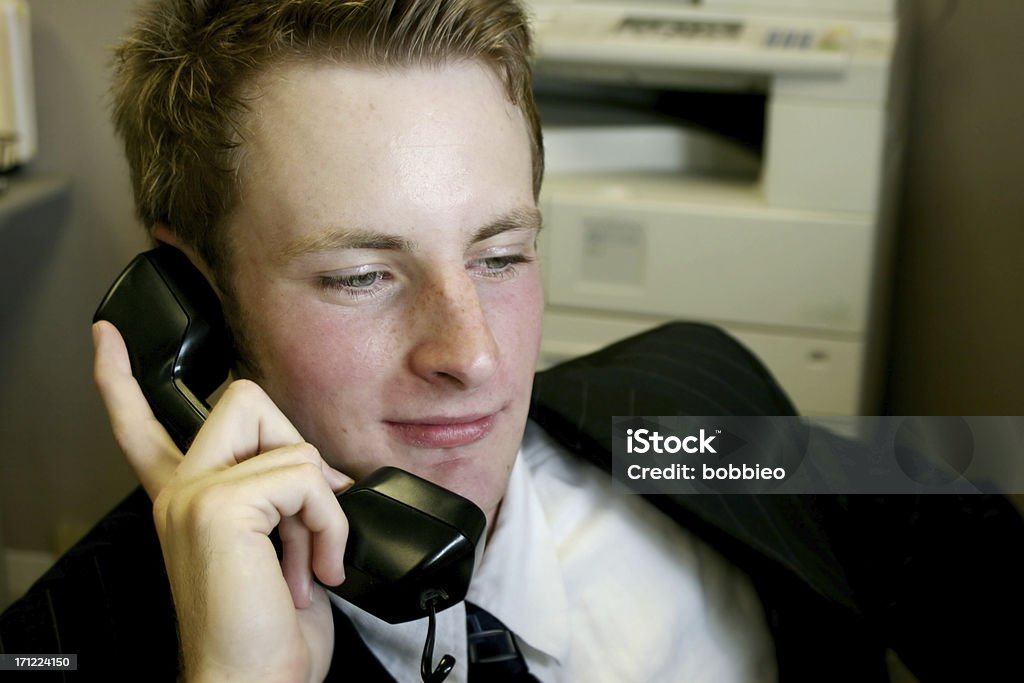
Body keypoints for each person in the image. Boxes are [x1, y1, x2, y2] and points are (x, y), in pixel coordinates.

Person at [2, 1, 1022, 681]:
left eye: (498, 254)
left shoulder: (678, 402)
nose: (476, 355)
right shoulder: (61, 646)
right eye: (361, 275)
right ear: (192, 292)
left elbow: (948, 533)